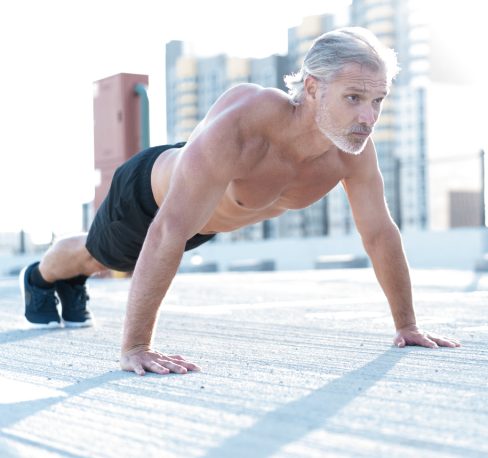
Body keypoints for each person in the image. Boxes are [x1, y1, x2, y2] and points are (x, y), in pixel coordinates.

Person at [20, 27, 460, 376]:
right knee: (100, 256)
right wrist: (136, 347)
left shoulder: (351, 150)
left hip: (204, 221)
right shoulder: (246, 125)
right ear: (311, 88)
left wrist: (407, 326)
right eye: (354, 98)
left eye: (377, 100)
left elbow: (380, 234)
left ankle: (71, 281)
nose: (368, 117)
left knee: (118, 260)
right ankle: (40, 279)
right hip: (150, 197)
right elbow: (169, 229)